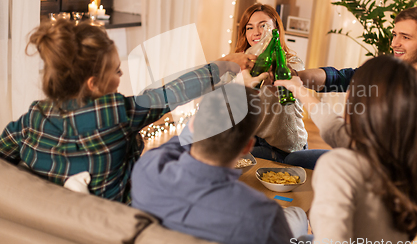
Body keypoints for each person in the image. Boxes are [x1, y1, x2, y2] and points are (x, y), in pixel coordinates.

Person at [0, 19, 259, 204]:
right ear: (93, 83)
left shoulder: (30, 120)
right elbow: (170, 94)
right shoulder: (116, 113)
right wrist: (222, 65)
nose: (120, 76)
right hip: (115, 223)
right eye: (116, 71)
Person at [276, 56, 417, 244]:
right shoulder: (405, 158)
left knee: (291, 217)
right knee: (299, 226)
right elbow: (334, 129)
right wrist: (299, 90)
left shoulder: (339, 166)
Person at [294, 6, 417, 180]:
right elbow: (338, 78)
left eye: (405, 37)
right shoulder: (385, 72)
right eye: (394, 34)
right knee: (292, 160)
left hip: (404, 184)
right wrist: (297, 76)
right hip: (366, 160)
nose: (394, 43)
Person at [131, 83, 308, 244]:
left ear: (192, 124)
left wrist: (238, 88)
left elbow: (179, 143)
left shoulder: (147, 167)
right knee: (299, 217)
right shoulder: (264, 216)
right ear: (247, 147)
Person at [235, 3, 308, 163]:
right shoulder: (240, 63)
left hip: (284, 148)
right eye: (250, 28)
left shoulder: (292, 64)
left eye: (263, 26)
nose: (256, 33)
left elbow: (278, 76)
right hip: (253, 141)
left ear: (276, 29)